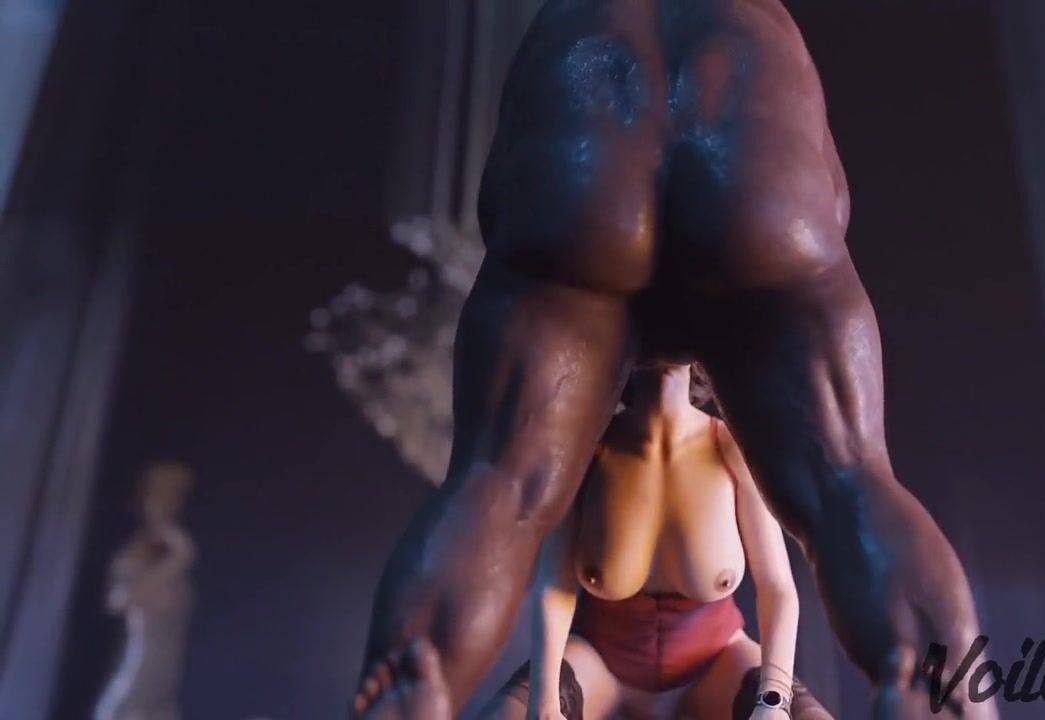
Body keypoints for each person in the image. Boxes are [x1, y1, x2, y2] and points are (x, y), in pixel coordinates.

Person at [354, 1, 993, 718]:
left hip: (584, 125)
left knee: (498, 482)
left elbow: (497, 199)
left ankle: (417, 668)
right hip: (749, 119)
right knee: (849, 477)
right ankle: (934, 684)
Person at [480, 364, 832, 720]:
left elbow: (777, 588)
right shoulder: (585, 450)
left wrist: (773, 701)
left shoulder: (731, 447)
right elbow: (554, 586)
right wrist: (544, 704)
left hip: (717, 661)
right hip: (600, 662)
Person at [93, 463, 196, 720]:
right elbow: (120, 601)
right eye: (159, 494)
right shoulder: (134, 554)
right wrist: (178, 560)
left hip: (162, 693)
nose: (167, 503)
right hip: (133, 690)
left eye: (176, 494)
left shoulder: (177, 549)